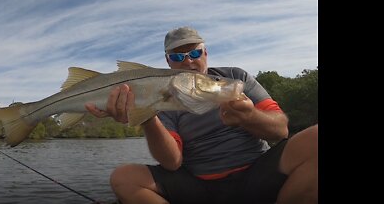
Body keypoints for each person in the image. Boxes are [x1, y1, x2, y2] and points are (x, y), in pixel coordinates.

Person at [85, 27, 318, 204]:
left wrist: (249, 117)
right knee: (123, 178)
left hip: (257, 171)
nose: (188, 61)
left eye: (194, 52)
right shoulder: (162, 93)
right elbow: (171, 162)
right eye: (177, 57)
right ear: (168, 62)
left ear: (205, 53)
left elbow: (281, 131)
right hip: (199, 183)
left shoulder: (236, 77)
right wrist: (147, 115)